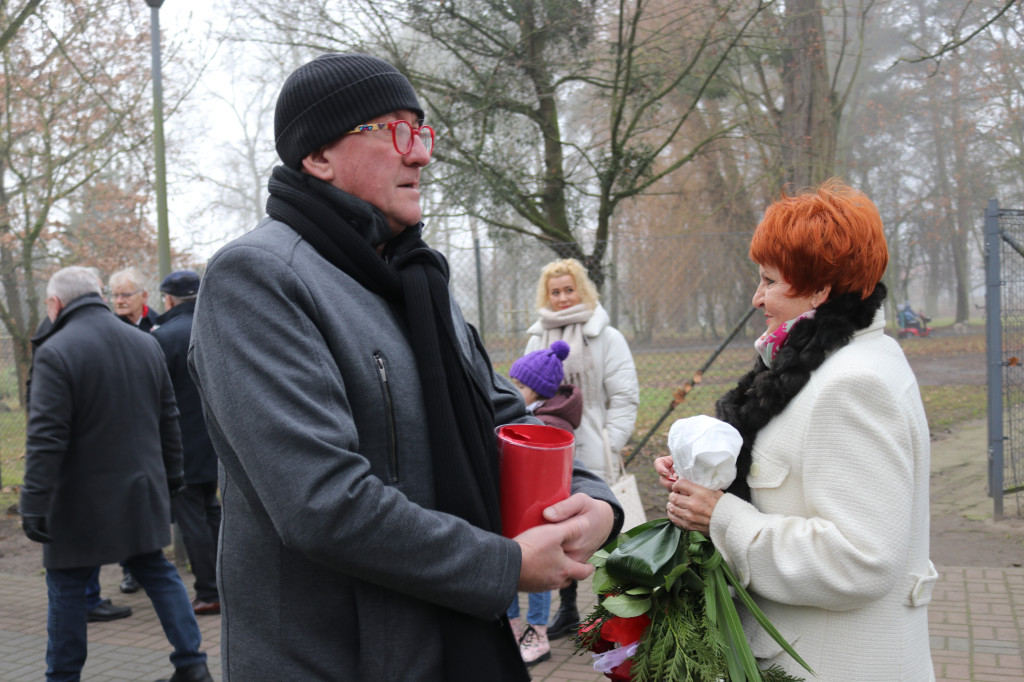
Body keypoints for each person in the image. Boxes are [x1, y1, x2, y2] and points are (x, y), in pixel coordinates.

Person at [187, 53, 622, 681]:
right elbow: (321, 501)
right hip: (333, 660)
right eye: (395, 131)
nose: (420, 154)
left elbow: (503, 418)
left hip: (445, 645)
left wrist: (592, 500)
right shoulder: (257, 278)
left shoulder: (417, 279)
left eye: (421, 132)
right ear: (318, 157)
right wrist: (501, 567)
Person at [656, 179, 935, 680]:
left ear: (821, 290)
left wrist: (721, 517)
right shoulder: (829, 362)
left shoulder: (850, 385)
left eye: (769, 280)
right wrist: (702, 479)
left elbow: (861, 559)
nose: (757, 295)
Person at [18, 266, 213, 682]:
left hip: (76, 499)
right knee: (159, 574)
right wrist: (173, 476)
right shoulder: (144, 342)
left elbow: (47, 438)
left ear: (55, 304)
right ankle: (192, 664)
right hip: (140, 489)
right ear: (99, 295)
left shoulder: (56, 350)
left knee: (67, 586)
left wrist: (33, 502)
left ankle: (63, 676)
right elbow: (169, 417)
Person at [524, 257, 640, 640]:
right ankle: (569, 610)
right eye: (554, 292)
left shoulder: (606, 336)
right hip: (547, 451)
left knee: (604, 532)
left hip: (593, 447)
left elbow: (624, 396)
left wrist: (611, 442)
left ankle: (613, 613)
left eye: (568, 290)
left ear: (582, 290)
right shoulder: (537, 336)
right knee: (557, 529)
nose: (561, 298)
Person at [26, 269, 134, 625]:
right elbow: (46, 406)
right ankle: (86, 601)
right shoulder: (57, 337)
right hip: (75, 453)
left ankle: (85, 602)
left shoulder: (58, 331)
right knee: (73, 540)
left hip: (76, 449)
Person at [505, 339, 582, 666]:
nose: (511, 390)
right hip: (512, 508)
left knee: (537, 573)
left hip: (541, 514)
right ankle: (511, 628)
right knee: (506, 567)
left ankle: (536, 632)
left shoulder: (549, 424)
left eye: (519, 385)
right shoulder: (518, 414)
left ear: (537, 391)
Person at [152, 270, 221, 617]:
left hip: (181, 447)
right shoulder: (218, 327)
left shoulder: (162, 337)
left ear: (168, 299)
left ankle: (209, 592)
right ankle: (227, 584)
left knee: (193, 520)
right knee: (213, 514)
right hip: (216, 441)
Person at [108, 266, 157, 594]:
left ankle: (151, 564)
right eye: (115, 295)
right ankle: (130, 569)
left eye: (126, 294)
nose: (119, 301)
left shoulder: (159, 325)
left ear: (144, 296)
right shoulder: (107, 328)